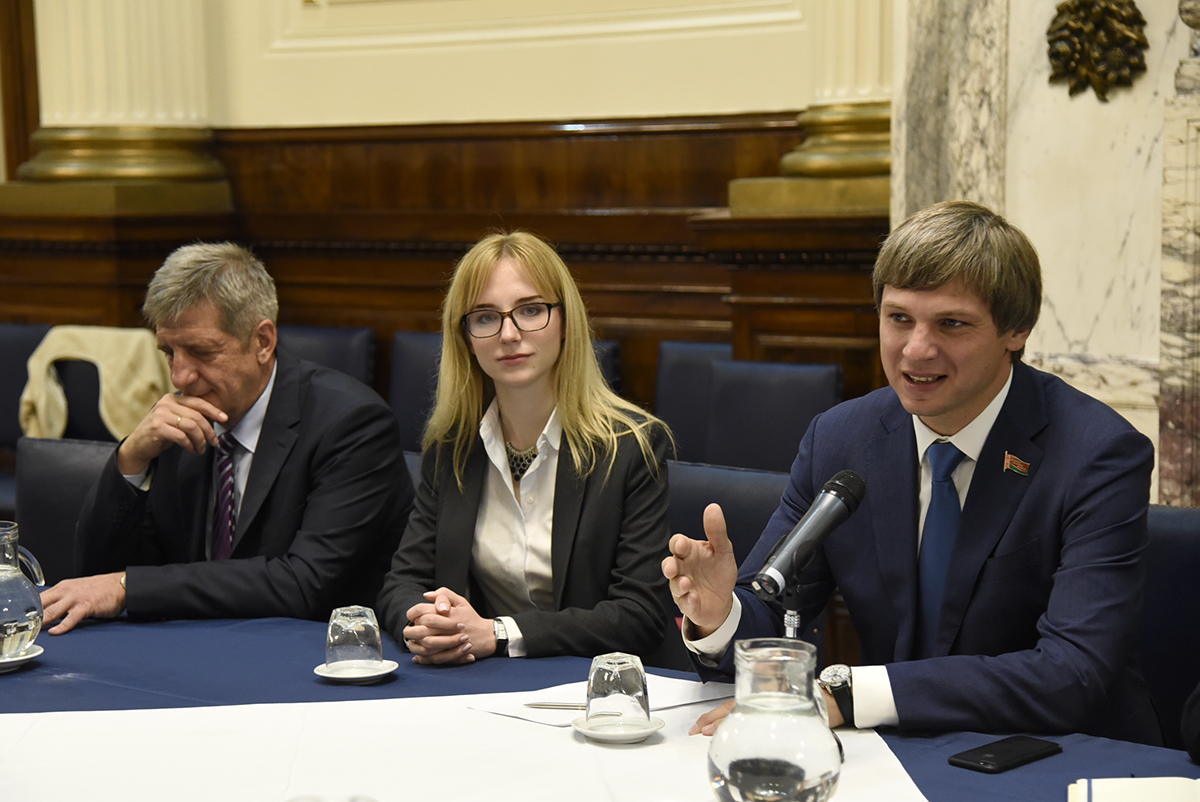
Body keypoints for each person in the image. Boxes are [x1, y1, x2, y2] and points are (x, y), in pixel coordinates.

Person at [663, 201, 1162, 745]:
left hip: (1055, 758)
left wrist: (847, 694)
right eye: (899, 318)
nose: (916, 349)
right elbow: (773, 614)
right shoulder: (841, 438)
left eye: (951, 323)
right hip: (896, 755)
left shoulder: (1097, 454)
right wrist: (720, 617)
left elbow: (1072, 674)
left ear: (1016, 330)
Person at [40, 243, 414, 633]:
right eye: (169, 352)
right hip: (199, 648)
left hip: (315, 659)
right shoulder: (182, 421)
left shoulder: (351, 423)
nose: (180, 377)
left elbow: (304, 584)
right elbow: (100, 578)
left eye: (201, 352)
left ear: (262, 342)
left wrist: (127, 587)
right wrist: (131, 459)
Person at [376, 230, 671, 664]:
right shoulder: (452, 447)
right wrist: (431, 621)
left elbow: (639, 615)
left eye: (531, 310)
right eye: (485, 317)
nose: (509, 334)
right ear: (466, 338)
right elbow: (400, 584)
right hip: (477, 689)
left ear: (565, 321)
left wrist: (497, 634)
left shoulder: (631, 447)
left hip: (593, 694)